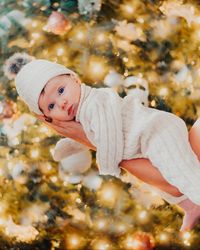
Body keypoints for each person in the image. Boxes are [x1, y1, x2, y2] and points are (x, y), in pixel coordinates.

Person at [15, 59, 200, 231]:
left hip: (157, 132)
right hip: (146, 141)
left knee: (182, 172)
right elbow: (91, 135)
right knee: (167, 182)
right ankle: (191, 206)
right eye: (51, 106)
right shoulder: (82, 112)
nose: (61, 103)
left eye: (61, 91)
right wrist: (70, 145)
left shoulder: (94, 103)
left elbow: (108, 136)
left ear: (75, 79)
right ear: (48, 118)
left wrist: (109, 167)